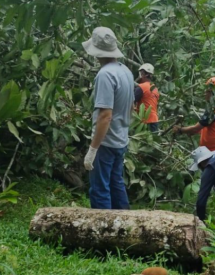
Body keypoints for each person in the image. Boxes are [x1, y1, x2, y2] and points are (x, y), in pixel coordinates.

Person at [82, 27, 133, 210]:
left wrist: (93, 149)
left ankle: (102, 234)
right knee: (116, 183)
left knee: (100, 188)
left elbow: (105, 115)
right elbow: (130, 107)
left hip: (106, 142)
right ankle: (125, 226)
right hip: (120, 139)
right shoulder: (125, 71)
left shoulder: (105, 75)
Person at [172, 77, 215, 151]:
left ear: (214, 93)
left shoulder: (213, 110)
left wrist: (180, 130)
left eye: (207, 91)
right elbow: (209, 127)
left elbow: (196, 128)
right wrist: (191, 131)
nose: (205, 94)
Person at [134, 63, 160, 133]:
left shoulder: (141, 87)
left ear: (143, 73)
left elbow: (131, 100)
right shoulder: (155, 88)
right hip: (154, 120)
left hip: (144, 121)